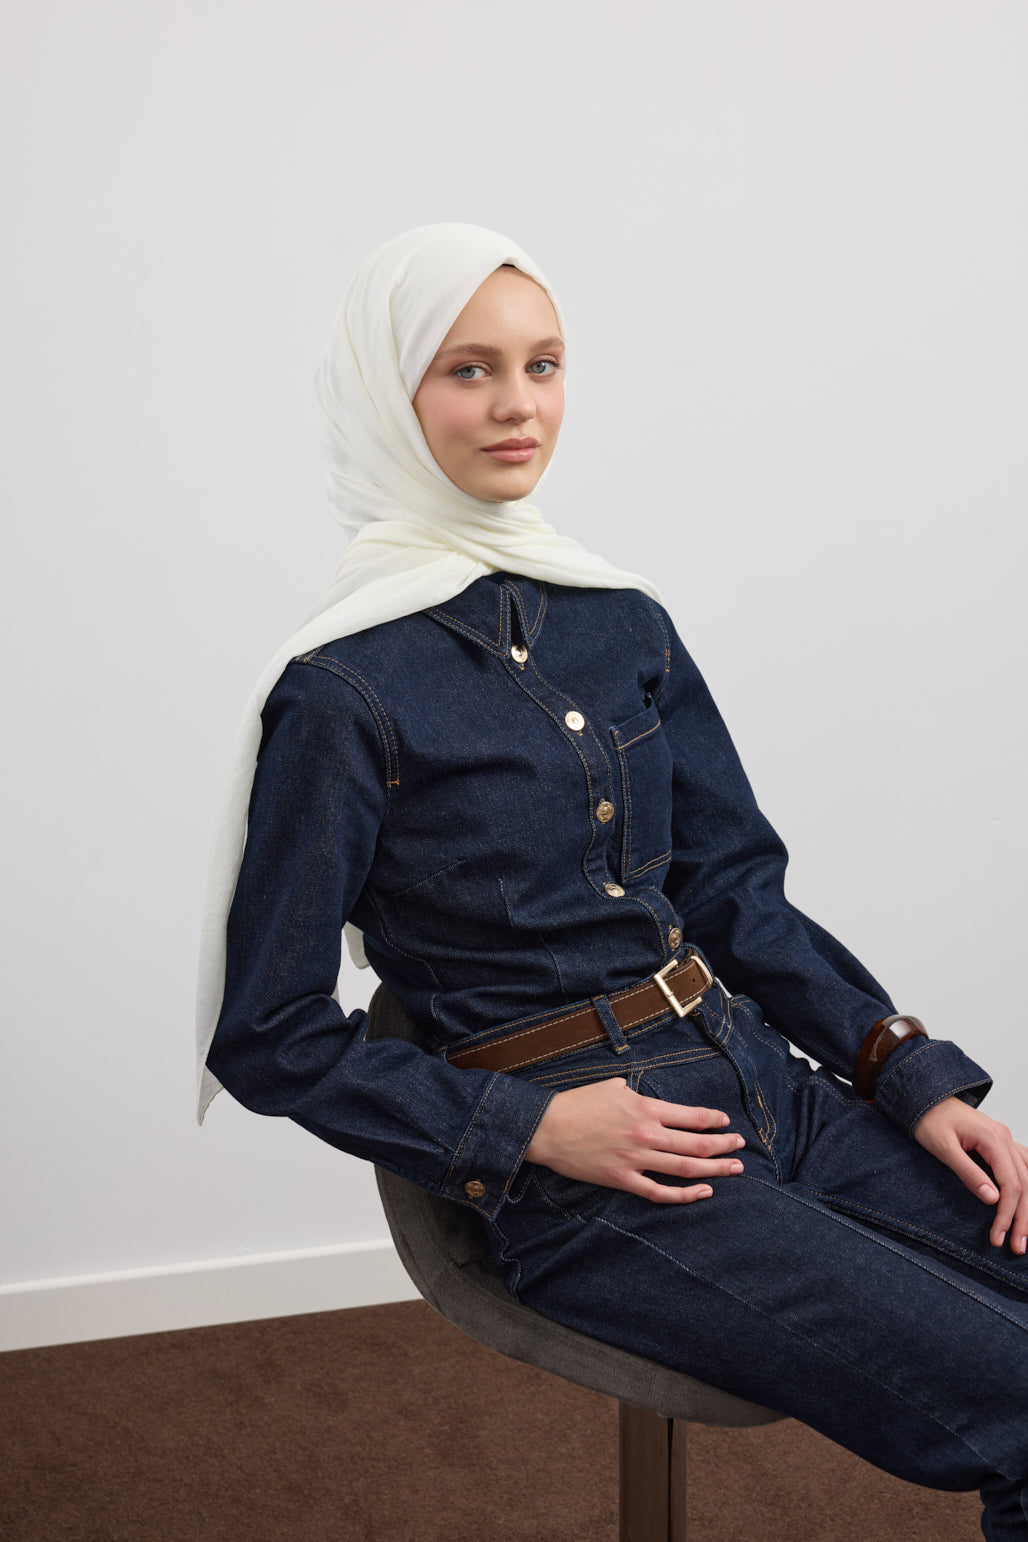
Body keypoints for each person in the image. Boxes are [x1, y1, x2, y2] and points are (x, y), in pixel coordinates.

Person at [197, 223, 1028, 1538]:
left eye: (542, 364)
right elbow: (269, 1034)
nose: (518, 405)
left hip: (763, 1079)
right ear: (386, 394)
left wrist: (898, 1065)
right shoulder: (343, 693)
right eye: (468, 370)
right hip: (596, 1164)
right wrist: (527, 1129)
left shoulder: (617, 618)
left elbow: (736, 889)